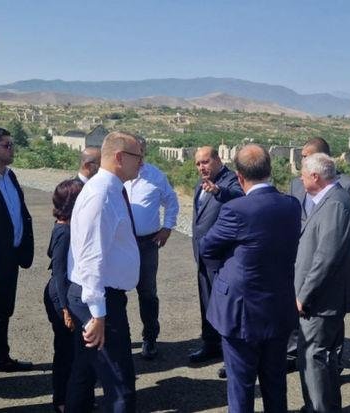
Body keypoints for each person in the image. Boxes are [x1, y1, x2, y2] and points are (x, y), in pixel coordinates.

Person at [200, 145, 301, 413]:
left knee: (240, 388)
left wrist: (226, 271)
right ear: (269, 169)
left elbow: (207, 247)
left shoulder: (236, 209)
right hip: (278, 309)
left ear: (239, 176)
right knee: (275, 384)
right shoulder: (291, 206)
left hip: (240, 313)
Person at [65, 131, 143, 412]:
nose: (142, 163)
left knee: (85, 372)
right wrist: (98, 313)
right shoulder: (101, 195)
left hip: (99, 296)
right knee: (119, 384)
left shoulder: (110, 190)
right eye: (138, 157)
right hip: (98, 299)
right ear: (120, 157)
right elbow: (91, 258)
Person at [295, 153, 350, 413]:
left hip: (321, 300)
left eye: (303, 175)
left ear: (315, 176)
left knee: (313, 356)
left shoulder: (335, 204)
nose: (300, 180)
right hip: (322, 298)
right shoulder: (329, 200)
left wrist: (304, 295)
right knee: (322, 357)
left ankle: (319, 408)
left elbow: (326, 257)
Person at [286, 137, 350, 371]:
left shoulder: (346, 187)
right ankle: (294, 354)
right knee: (303, 322)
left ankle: (332, 363)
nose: (301, 160)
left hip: (331, 269)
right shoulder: (296, 184)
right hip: (302, 259)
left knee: (328, 327)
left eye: (305, 156)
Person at [0, 127, 35, 372]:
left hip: (11, 256)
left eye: (12, 144)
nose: (12, 149)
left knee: (3, 310)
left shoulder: (10, 176)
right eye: (7, 145)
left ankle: (1, 359)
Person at [124, 136, 179, 359]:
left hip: (147, 244)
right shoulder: (115, 175)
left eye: (141, 152)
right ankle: (121, 339)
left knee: (147, 293)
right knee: (116, 293)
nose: (139, 157)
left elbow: (171, 201)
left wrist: (167, 227)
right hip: (120, 244)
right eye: (134, 152)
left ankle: (150, 338)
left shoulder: (155, 175)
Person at [189, 146, 244, 365]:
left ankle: (230, 354)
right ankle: (210, 345)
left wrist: (218, 191)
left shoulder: (230, 180)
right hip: (203, 256)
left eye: (205, 162)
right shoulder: (200, 184)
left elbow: (240, 196)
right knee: (206, 302)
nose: (201, 167)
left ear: (218, 160)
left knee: (224, 307)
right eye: (198, 164)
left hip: (222, 257)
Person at [44, 179, 86, 412]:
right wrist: (65, 309)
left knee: (72, 349)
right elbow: (59, 272)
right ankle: (61, 400)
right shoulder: (64, 231)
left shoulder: (65, 225)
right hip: (61, 296)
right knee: (65, 350)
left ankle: (72, 396)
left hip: (64, 294)